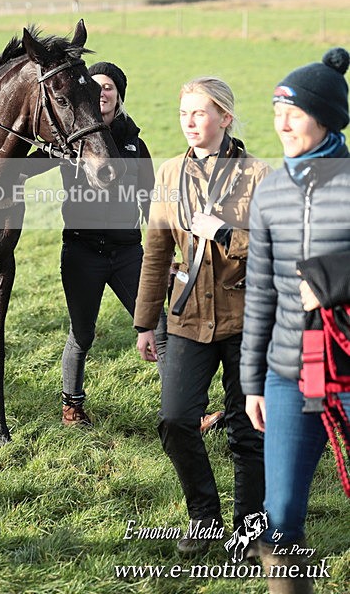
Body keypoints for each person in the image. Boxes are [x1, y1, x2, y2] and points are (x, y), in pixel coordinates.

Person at [134, 76, 269, 556]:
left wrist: (228, 233)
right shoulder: (169, 174)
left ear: (225, 118)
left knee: (247, 430)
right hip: (187, 318)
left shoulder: (259, 175)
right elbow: (156, 251)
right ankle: (204, 518)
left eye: (200, 113)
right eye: (184, 113)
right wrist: (146, 322)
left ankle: (250, 530)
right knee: (174, 420)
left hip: (247, 318)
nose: (190, 122)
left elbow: (282, 244)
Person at [240, 47, 350, 592]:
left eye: (294, 111)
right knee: (279, 517)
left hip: (349, 369)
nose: (281, 122)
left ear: (326, 117)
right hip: (287, 375)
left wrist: (334, 280)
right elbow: (259, 290)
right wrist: (251, 382)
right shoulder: (270, 191)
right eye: (276, 109)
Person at [51, 61, 167, 425]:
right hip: (82, 252)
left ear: (119, 96)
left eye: (109, 88)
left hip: (128, 253)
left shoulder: (135, 143)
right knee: (82, 334)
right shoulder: (72, 143)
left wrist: (169, 247)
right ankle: (73, 403)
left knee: (160, 328)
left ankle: (180, 410)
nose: (102, 93)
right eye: (96, 87)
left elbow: (150, 199)